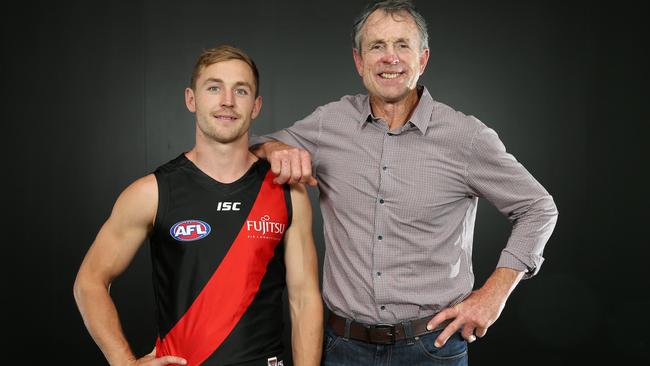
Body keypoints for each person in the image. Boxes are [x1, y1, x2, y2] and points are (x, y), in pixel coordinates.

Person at [250, 1, 558, 365]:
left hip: (432, 349)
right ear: (359, 61)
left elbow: (538, 207)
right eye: (376, 46)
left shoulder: (466, 137)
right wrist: (273, 146)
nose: (389, 58)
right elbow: (251, 143)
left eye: (402, 45)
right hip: (342, 348)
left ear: (422, 59)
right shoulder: (329, 123)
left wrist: (495, 294)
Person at [74, 45, 323, 366]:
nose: (227, 101)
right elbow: (90, 281)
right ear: (191, 99)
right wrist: (123, 362)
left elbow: (304, 301)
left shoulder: (288, 193)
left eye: (241, 91)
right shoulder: (152, 192)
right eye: (214, 87)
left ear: (256, 106)